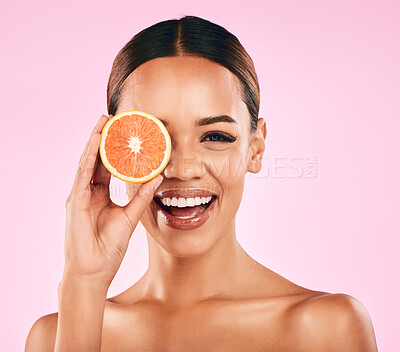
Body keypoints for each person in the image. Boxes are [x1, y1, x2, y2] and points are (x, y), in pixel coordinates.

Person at [26, 15, 378, 351]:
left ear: (255, 149)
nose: (183, 169)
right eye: (156, 135)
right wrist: (84, 283)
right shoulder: (54, 336)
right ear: (116, 149)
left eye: (215, 136)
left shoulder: (328, 327)